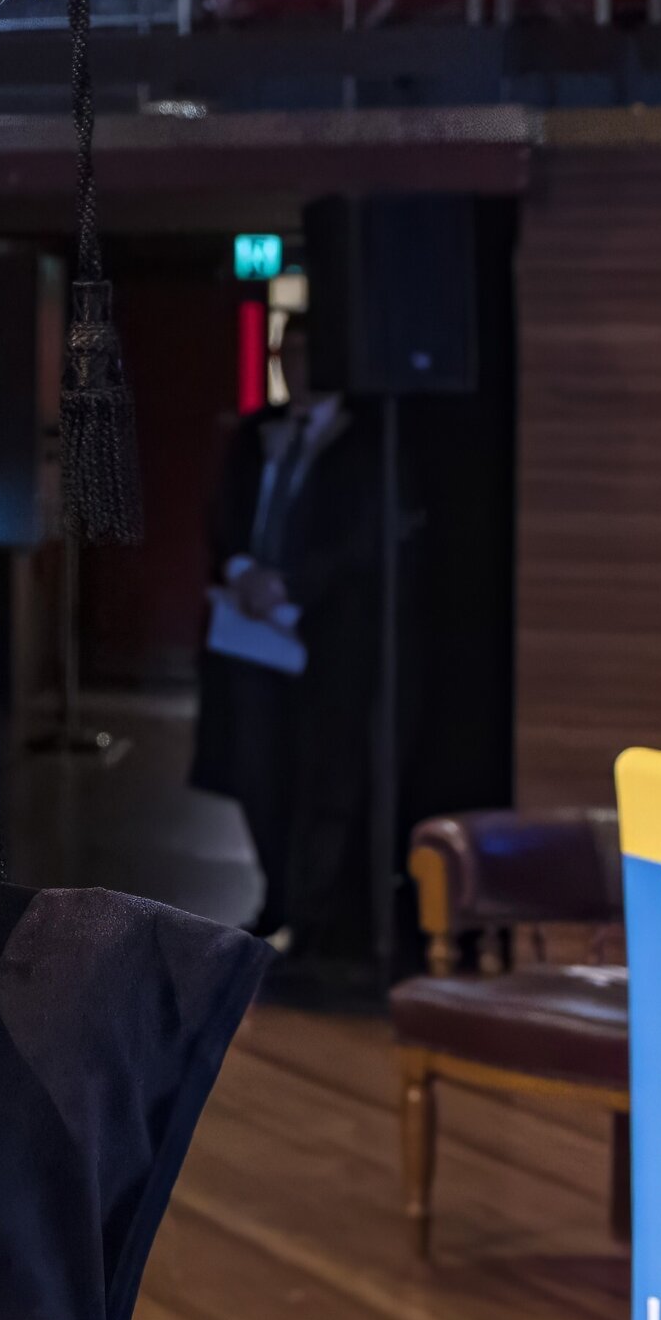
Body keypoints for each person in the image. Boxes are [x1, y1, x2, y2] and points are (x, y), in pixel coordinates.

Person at [190, 324, 382, 957]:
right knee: (254, 766)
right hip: (247, 632)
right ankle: (276, 896)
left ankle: (317, 912)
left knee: (323, 774)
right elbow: (223, 512)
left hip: (324, 637)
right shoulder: (255, 431)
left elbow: (364, 535)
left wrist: (293, 585)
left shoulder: (368, 439)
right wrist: (243, 572)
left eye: (305, 354)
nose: (293, 367)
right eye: (285, 355)